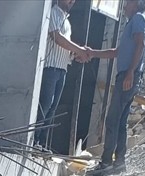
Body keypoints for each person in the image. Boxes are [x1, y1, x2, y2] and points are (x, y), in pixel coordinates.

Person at [90, 0, 145, 174]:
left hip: (128, 75)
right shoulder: (133, 22)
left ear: (137, 4)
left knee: (112, 119)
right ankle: (119, 162)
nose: (124, 6)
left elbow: (141, 43)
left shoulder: (138, 18)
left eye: (128, 3)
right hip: (128, 74)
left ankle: (107, 162)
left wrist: (130, 72)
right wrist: (93, 53)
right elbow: (117, 52)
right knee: (121, 121)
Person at [35, 0, 91, 152]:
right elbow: (57, 37)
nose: (71, 2)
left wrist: (75, 54)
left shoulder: (67, 22)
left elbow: (65, 46)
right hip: (50, 67)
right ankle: (35, 141)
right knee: (45, 105)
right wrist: (79, 50)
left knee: (52, 108)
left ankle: (42, 143)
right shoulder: (53, 13)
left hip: (61, 68)